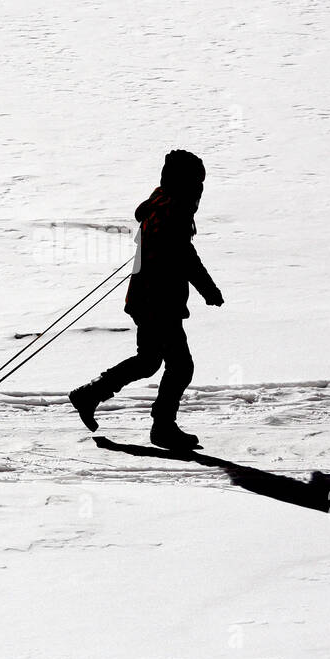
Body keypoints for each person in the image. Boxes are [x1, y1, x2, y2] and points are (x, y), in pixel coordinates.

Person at [69, 149, 223, 449]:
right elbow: (183, 256)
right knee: (180, 366)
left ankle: (89, 395)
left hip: (146, 298)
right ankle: (163, 428)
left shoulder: (161, 202)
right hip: (158, 300)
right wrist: (208, 289)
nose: (200, 189)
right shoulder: (174, 209)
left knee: (149, 361)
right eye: (197, 182)